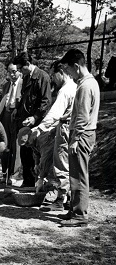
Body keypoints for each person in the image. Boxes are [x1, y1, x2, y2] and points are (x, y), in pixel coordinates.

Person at [58, 48, 100, 227]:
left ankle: (80, 214)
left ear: (76, 66)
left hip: (81, 135)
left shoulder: (85, 86)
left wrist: (75, 139)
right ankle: (75, 208)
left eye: (68, 70)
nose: (67, 73)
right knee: (75, 173)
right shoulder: (89, 83)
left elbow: (83, 116)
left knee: (79, 175)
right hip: (84, 133)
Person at [31, 60, 77, 212]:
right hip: (70, 128)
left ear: (61, 72)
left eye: (53, 75)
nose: (52, 79)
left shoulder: (65, 90)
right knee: (70, 165)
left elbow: (55, 114)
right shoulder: (75, 87)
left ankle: (60, 199)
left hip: (65, 128)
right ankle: (69, 198)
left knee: (62, 165)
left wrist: (39, 128)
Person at [12, 51, 52, 187]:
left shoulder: (43, 77)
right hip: (24, 123)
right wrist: (17, 110)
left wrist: (35, 118)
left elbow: (46, 102)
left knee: (37, 155)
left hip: (37, 125)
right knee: (25, 152)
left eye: (21, 68)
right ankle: (28, 182)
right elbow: (24, 98)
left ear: (28, 64)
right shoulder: (26, 78)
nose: (20, 72)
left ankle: (39, 184)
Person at [0, 62, 23, 185]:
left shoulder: (23, 84)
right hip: (6, 116)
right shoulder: (6, 85)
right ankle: (4, 173)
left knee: (15, 146)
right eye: (9, 72)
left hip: (16, 116)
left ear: (19, 71)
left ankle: (14, 174)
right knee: (5, 145)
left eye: (14, 71)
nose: (12, 74)